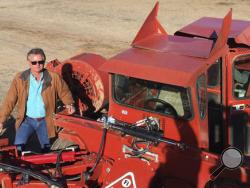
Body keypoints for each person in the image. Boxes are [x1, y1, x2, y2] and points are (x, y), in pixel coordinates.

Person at [0, 48, 75, 152]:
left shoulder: (54, 77)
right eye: (34, 62)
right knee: (18, 146)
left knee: (44, 149)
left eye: (41, 62)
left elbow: (64, 92)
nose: (38, 65)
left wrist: (69, 104)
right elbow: (10, 100)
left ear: (44, 61)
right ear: (29, 62)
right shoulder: (20, 78)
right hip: (27, 120)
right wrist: (2, 119)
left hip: (45, 120)